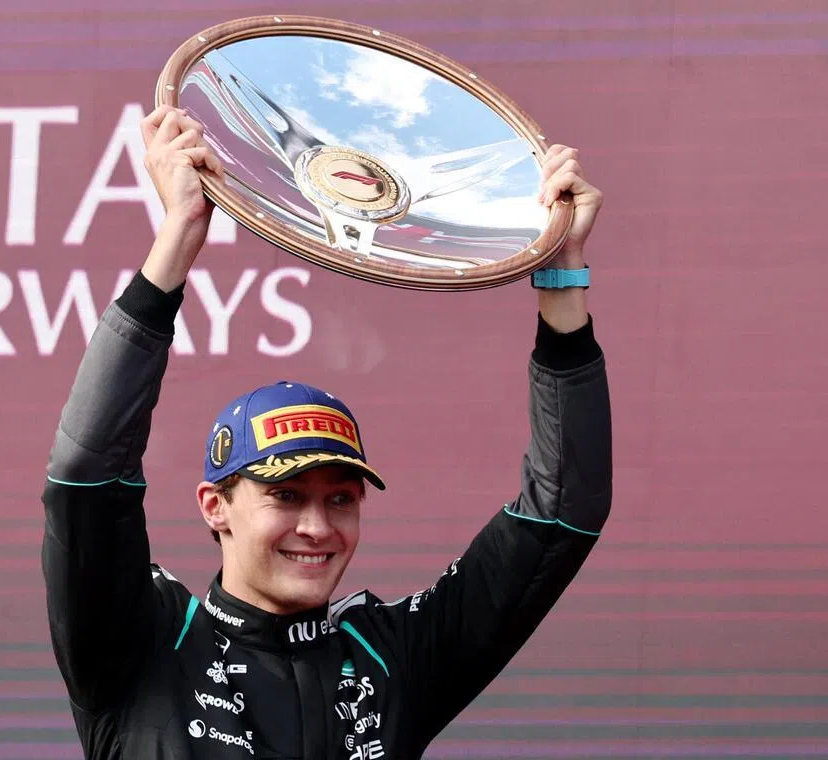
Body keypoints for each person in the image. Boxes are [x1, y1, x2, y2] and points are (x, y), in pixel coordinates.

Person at [41, 105, 612, 760]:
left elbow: (564, 510)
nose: (317, 526)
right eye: (286, 496)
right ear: (215, 505)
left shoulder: (394, 657)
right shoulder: (142, 640)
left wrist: (561, 273)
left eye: (340, 498)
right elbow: (85, 472)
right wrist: (179, 234)